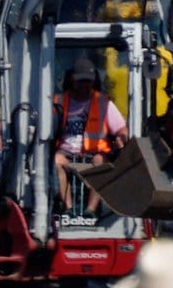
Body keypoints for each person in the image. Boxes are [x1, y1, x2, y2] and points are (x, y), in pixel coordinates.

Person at [54, 57, 128, 215]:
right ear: (72, 80)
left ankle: (90, 210)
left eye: (88, 81)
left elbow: (121, 129)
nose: (84, 86)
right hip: (65, 153)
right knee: (55, 161)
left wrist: (122, 137)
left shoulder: (103, 103)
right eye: (80, 81)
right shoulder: (58, 101)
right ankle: (68, 208)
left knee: (100, 161)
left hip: (93, 153)